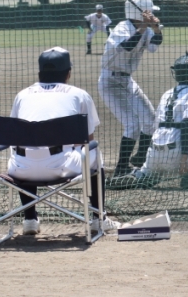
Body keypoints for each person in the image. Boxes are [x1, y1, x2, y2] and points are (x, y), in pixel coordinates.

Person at [8, 47, 120, 235]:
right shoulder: (79, 95)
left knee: (29, 149)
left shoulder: (22, 95)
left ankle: (30, 220)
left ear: (39, 73)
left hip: (21, 170)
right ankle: (98, 219)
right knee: (94, 152)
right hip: (61, 167)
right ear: (68, 73)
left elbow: (15, 135)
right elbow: (87, 140)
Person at [110, 53, 188, 189]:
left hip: (153, 155)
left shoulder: (167, 94)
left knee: (151, 174)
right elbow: (187, 126)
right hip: (176, 157)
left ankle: (142, 175)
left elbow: (156, 126)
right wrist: (184, 159)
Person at [98, 0, 162, 182]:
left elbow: (154, 47)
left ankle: (140, 158)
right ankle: (121, 167)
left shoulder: (146, 29)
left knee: (150, 120)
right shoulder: (122, 28)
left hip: (127, 81)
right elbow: (127, 46)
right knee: (133, 123)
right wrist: (144, 26)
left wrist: (156, 29)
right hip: (110, 82)